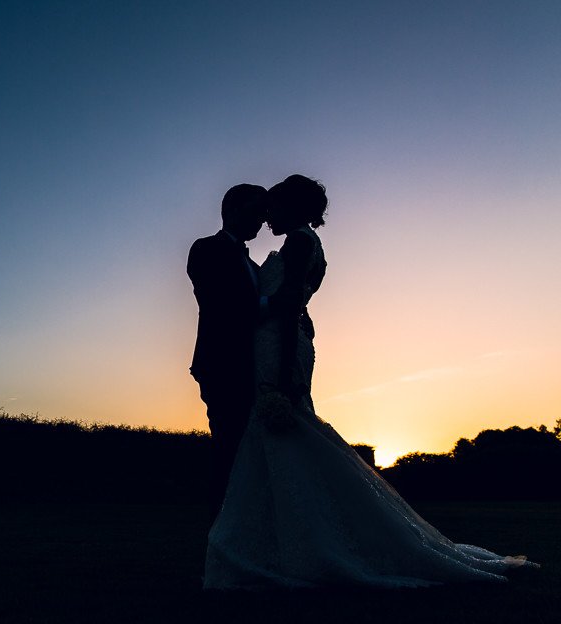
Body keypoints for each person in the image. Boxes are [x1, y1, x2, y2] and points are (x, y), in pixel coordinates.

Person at [204, 174, 537, 589]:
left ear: (294, 206)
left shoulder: (298, 243)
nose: (267, 216)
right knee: (284, 444)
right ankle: (283, 539)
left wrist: (283, 371)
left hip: (279, 349)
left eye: (273, 207)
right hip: (277, 347)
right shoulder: (299, 246)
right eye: (262, 209)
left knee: (287, 437)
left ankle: (299, 545)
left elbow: (290, 306)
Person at [187, 184, 268, 525]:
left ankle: (247, 528)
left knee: (252, 451)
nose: (262, 220)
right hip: (221, 365)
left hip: (254, 367)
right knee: (229, 447)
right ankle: (220, 530)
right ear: (232, 210)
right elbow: (219, 302)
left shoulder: (255, 264)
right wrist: (275, 305)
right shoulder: (205, 249)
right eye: (255, 211)